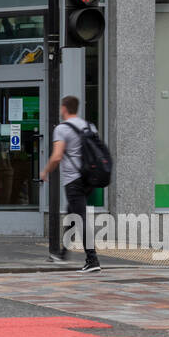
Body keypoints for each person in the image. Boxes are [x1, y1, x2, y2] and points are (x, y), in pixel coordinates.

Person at [40, 95, 102, 273]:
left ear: (64, 108)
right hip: (88, 178)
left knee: (79, 217)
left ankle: (92, 259)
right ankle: (63, 253)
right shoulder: (89, 126)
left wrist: (45, 171)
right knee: (72, 213)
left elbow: (57, 155)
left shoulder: (62, 129)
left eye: (61, 107)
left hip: (73, 179)